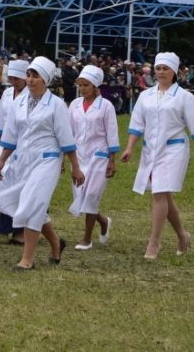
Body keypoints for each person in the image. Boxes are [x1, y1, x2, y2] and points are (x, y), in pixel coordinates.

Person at [0, 56, 85, 270]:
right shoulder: (19, 102)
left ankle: (27, 259)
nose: (31, 80)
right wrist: (2, 160)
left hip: (47, 161)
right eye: (29, 75)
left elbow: (66, 140)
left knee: (31, 205)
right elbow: (11, 135)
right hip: (23, 160)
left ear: (47, 80)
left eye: (36, 76)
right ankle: (55, 243)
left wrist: (75, 168)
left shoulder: (57, 105)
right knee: (33, 205)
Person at [120, 52, 194, 259]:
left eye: (166, 68)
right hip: (151, 150)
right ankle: (183, 235)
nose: (161, 72)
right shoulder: (145, 95)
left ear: (174, 71)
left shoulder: (185, 97)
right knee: (163, 194)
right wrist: (129, 148)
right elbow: (137, 124)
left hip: (175, 150)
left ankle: (154, 242)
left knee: (159, 192)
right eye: (158, 68)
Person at [67, 65, 119, 250]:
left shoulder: (106, 106)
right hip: (79, 158)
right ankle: (103, 221)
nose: (83, 89)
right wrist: (66, 158)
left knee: (90, 196)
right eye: (80, 85)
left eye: (86, 85)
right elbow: (68, 132)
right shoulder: (74, 105)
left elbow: (112, 133)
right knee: (81, 197)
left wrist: (112, 160)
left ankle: (86, 239)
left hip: (99, 156)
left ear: (95, 85)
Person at [0, 60, 29, 241]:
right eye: (11, 78)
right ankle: (7, 223)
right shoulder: (6, 94)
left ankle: (21, 230)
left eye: (17, 78)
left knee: (22, 186)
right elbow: (0, 121)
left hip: (24, 145)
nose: (14, 82)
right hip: (6, 145)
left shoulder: (33, 95)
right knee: (4, 184)